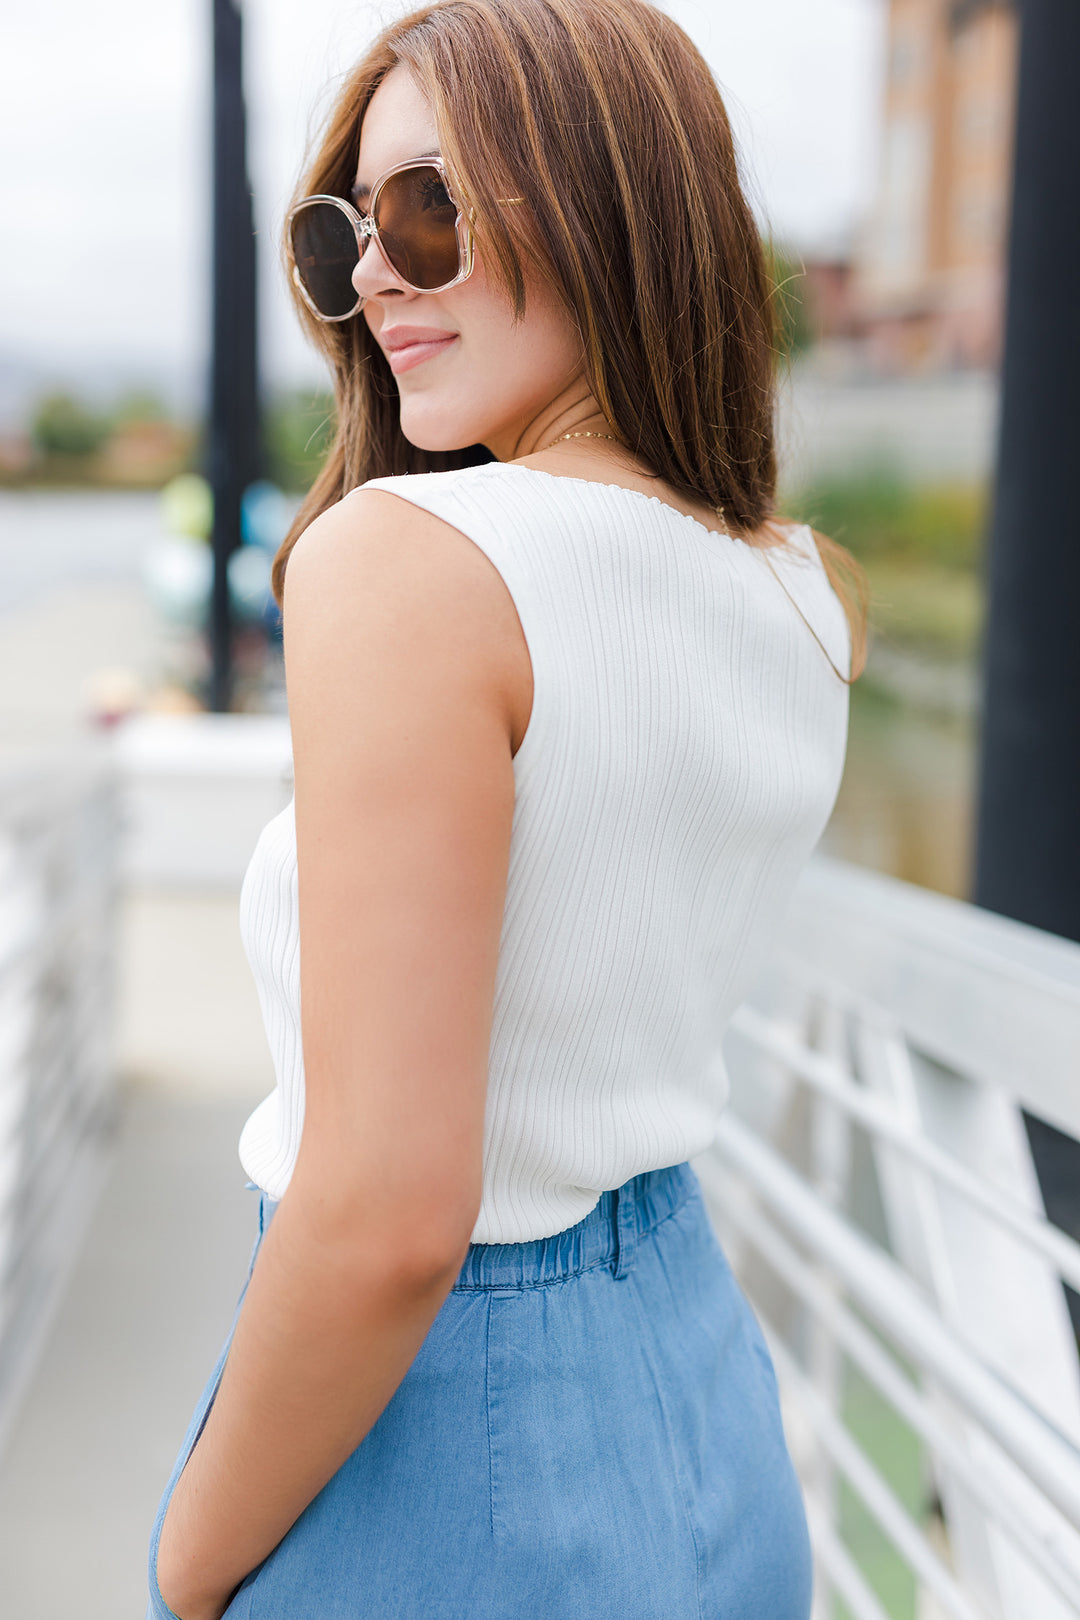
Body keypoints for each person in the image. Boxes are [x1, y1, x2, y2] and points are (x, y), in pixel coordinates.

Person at [148, 1, 865, 1615]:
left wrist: (189, 1561)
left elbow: (394, 1210)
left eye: (426, 209)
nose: (375, 277)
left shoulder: (411, 566)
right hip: (702, 1401)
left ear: (605, 197)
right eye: (345, 233)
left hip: (442, 1437)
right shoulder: (803, 594)